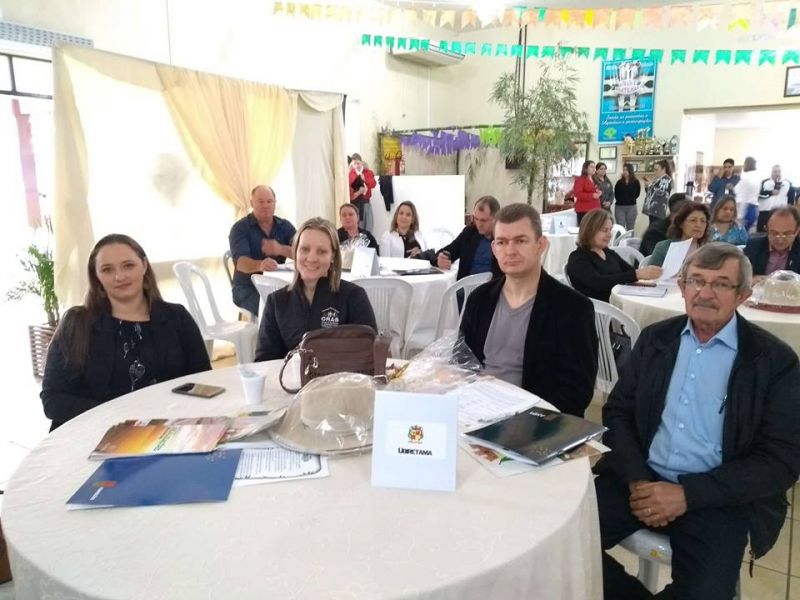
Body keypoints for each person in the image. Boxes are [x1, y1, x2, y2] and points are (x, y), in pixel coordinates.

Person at [594, 242, 800, 600]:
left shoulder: (773, 361)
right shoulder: (657, 339)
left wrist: (688, 495)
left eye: (721, 284)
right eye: (697, 281)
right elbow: (617, 412)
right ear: (682, 287)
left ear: (742, 295)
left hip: (718, 498)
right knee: (560, 543)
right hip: (639, 480)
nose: (705, 293)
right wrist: (638, 480)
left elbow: (782, 460)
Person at [40, 234, 210, 431]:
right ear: (96, 276)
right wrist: (118, 416)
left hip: (170, 431)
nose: (119, 276)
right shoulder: (77, 323)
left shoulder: (177, 317)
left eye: (128, 265)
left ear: (144, 265)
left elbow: (203, 383)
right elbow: (53, 400)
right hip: (96, 434)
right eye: (107, 269)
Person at [460, 203, 598, 417]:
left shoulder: (572, 308)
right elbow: (462, 362)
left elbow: (577, 392)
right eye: (502, 242)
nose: (510, 251)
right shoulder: (479, 300)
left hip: (537, 421)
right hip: (478, 413)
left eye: (521, 241)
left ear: (540, 245)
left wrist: (518, 412)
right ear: (494, 248)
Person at [255, 218, 377, 361]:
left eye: (322, 251)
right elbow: (264, 361)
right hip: (290, 375)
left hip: (342, 375)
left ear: (333, 256)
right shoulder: (276, 302)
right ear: (295, 252)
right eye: (305, 249)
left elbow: (369, 354)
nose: (312, 258)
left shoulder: (354, 296)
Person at [566, 209, 662, 302]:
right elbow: (598, 282)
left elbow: (629, 271)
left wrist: (645, 273)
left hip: (619, 301)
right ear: (589, 231)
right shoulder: (578, 258)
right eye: (605, 230)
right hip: (601, 309)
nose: (609, 235)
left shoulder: (608, 252)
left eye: (610, 230)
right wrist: (636, 274)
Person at [229, 185, 296, 316]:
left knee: (303, 303)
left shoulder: (285, 226)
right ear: (252, 203)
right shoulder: (240, 228)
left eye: (269, 201)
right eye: (260, 201)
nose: (265, 205)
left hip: (278, 286)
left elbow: (302, 252)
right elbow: (241, 263)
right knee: (278, 311)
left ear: (275, 203)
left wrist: (281, 249)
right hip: (247, 288)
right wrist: (260, 265)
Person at [433, 195, 502, 280]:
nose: (479, 224)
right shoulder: (469, 233)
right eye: (476, 219)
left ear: (496, 219)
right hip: (467, 286)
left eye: (483, 220)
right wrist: (439, 259)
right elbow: (447, 251)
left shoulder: (504, 239)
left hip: (493, 286)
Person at [649, 202, 711, 268]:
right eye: (693, 220)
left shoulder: (709, 250)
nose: (699, 225)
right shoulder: (664, 247)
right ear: (681, 224)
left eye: (703, 221)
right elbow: (650, 273)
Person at [743, 206, 800, 275]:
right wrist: (753, 278)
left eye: (787, 234)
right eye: (774, 233)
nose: (780, 240)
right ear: (766, 230)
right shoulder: (753, 246)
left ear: (797, 231)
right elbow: (743, 275)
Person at [757, 165, 793, 232]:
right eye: (775, 171)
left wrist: (789, 213)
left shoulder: (787, 183)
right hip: (765, 212)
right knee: (761, 233)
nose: (777, 174)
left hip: (780, 212)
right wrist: (770, 192)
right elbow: (758, 195)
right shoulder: (764, 182)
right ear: (771, 172)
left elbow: (791, 200)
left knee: (777, 232)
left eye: (779, 171)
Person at [348, 153, 377, 230]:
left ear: (361, 162)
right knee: (357, 227)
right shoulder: (350, 173)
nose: (356, 166)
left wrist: (364, 179)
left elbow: (373, 184)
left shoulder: (368, 172)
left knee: (368, 226)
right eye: (354, 164)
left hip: (366, 203)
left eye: (358, 163)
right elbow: (349, 189)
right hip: (355, 204)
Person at [641, 159, 673, 226]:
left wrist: (650, 185)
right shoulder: (657, 179)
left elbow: (661, 192)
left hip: (658, 210)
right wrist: (647, 186)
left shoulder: (666, 179)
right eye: (654, 170)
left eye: (656, 170)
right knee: (652, 226)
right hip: (653, 209)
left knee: (655, 227)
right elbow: (651, 192)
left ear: (663, 169)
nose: (655, 172)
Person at [733, 156, 759, 232]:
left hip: (745, 209)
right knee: (746, 233)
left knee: (739, 234)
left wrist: (739, 216)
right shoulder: (756, 178)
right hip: (753, 209)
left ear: (747, 164)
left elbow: (743, 198)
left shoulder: (746, 178)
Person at [572, 160, 602, 224]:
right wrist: (592, 195)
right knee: (586, 228)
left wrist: (599, 193)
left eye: (594, 167)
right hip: (584, 210)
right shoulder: (580, 179)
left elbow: (596, 190)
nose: (594, 169)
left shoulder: (595, 179)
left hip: (595, 209)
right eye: (591, 167)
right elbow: (577, 194)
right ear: (585, 168)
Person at [614, 163, 641, 231]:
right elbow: (616, 194)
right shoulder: (619, 182)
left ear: (630, 171)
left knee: (630, 227)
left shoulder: (636, 182)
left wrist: (630, 200)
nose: (624, 172)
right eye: (624, 170)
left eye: (626, 170)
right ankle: (621, 239)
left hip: (632, 207)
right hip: (620, 207)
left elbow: (637, 194)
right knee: (620, 227)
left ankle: (630, 239)